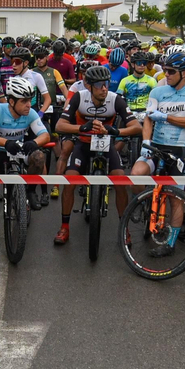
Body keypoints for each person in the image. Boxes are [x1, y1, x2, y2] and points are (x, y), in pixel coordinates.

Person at [131, 51, 185, 256]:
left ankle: (169, 243)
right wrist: (146, 142)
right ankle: (146, 202)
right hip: (156, 144)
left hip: (179, 148)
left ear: (184, 73)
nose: (166, 75)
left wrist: (165, 116)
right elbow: (148, 119)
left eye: (171, 71)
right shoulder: (158, 91)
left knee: (176, 198)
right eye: (164, 70)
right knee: (136, 174)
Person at [55, 63, 136, 244]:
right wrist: (81, 127)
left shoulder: (115, 99)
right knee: (70, 182)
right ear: (89, 86)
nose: (104, 88)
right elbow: (59, 126)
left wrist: (115, 131)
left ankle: (125, 229)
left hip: (107, 146)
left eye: (106, 83)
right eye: (99, 85)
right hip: (83, 145)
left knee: (121, 182)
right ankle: (64, 227)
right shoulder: (79, 97)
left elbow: (136, 127)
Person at [0, 77, 51, 250]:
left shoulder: (30, 113)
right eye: (23, 101)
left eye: (29, 101)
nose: (28, 105)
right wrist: (4, 143)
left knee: (39, 157)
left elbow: (45, 135)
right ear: (11, 101)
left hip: (20, 152)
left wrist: (35, 143)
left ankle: (31, 192)